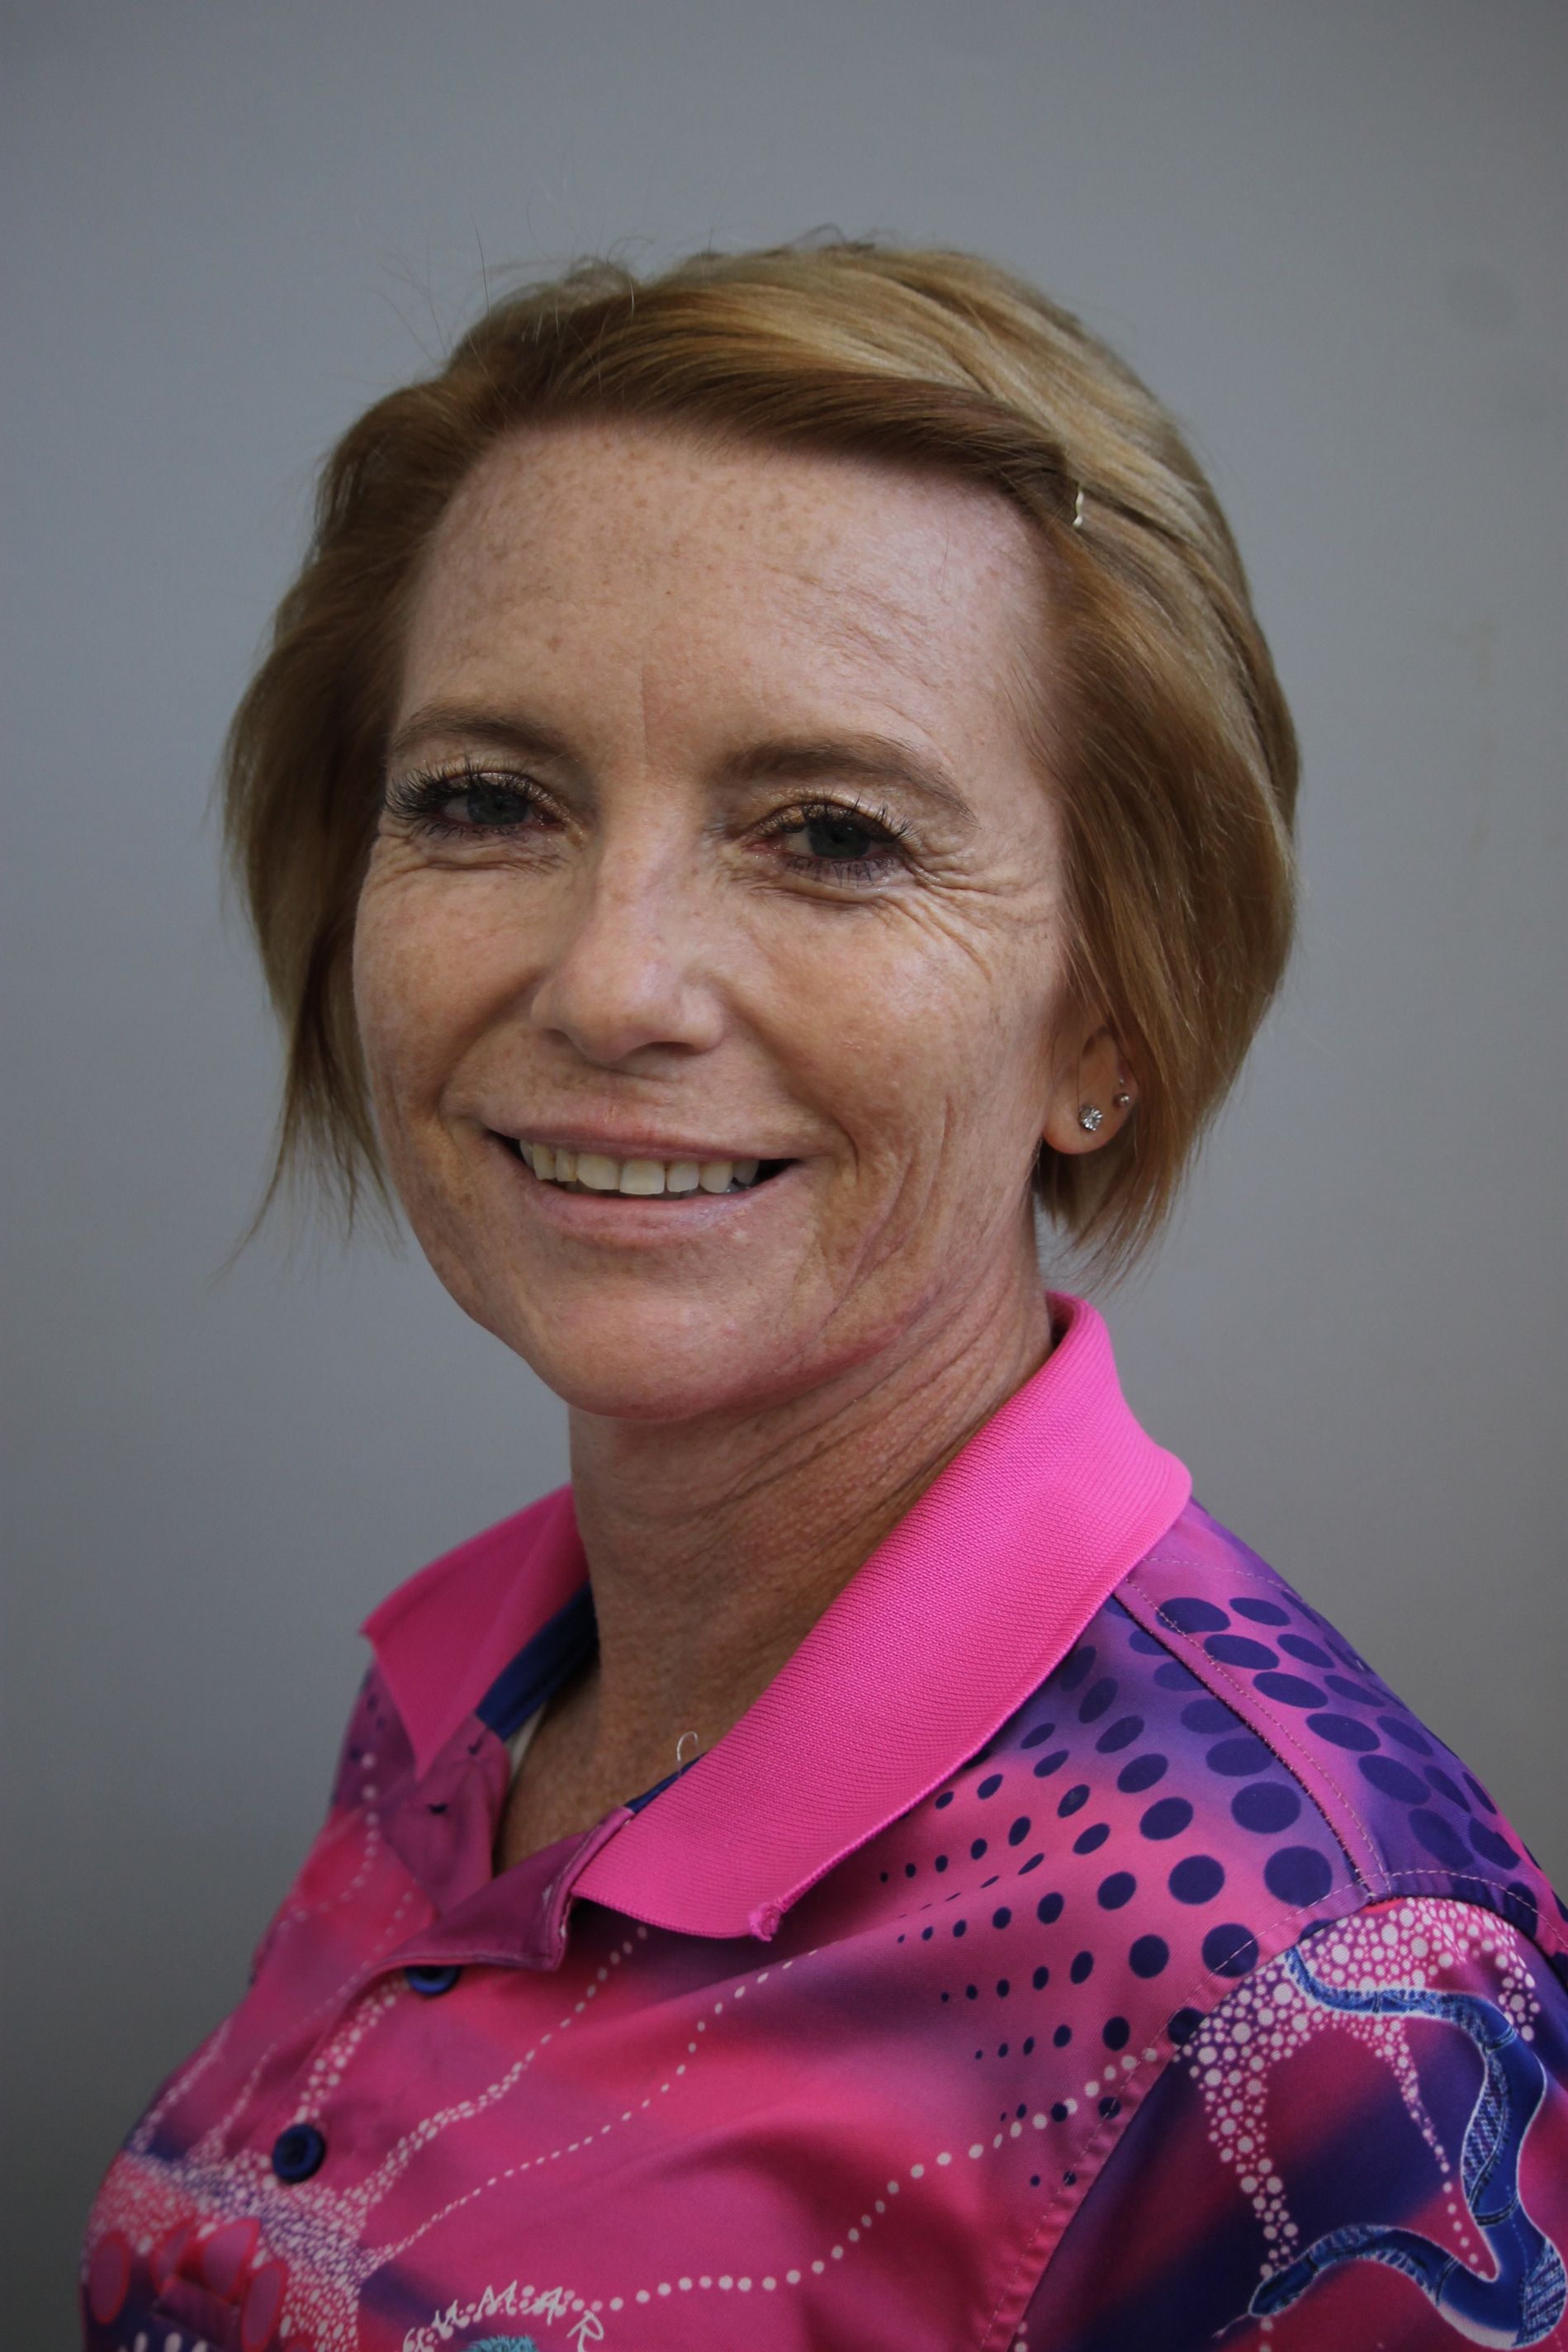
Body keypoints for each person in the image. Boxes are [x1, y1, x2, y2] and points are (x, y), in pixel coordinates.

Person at [82, 240, 1566, 2352]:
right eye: (486, 800)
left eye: (834, 836)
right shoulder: (473, 1693)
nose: (608, 983)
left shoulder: (1319, 1987)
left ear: (1107, 1016)